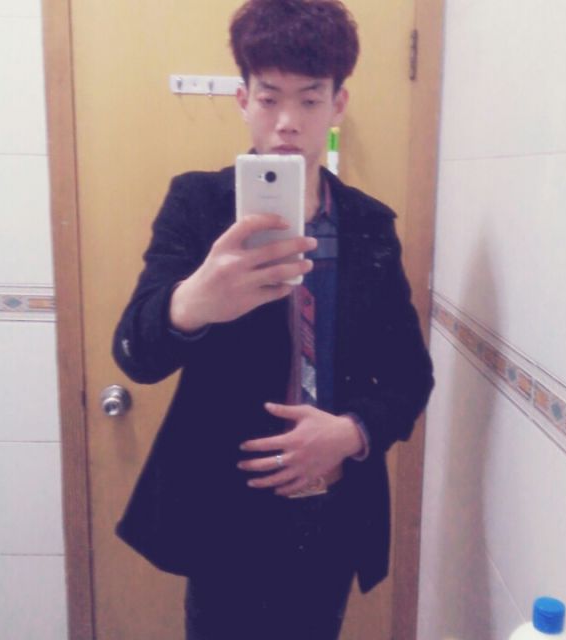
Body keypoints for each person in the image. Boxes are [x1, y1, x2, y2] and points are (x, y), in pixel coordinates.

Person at [112, 0, 434, 638]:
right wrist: (193, 302)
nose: (288, 122)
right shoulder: (198, 205)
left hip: (330, 509)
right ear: (243, 100)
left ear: (338, 105)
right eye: (269, 98)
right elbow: (135, 355)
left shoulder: (369, 225)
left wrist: (352, 432)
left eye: (310, 100)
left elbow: (409, 376)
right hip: (222, 512)